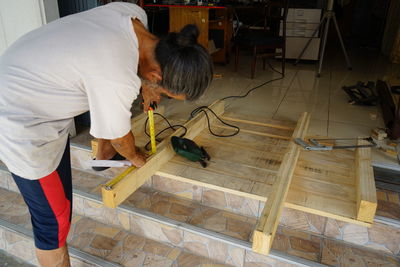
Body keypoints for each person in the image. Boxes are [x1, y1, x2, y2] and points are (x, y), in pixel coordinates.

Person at [0, 2, 213, 266]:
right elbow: (120, 137)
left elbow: (115, 66)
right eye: (166, 93)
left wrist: (146, 86)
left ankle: (103, 156)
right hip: (21, 123)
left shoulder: (132, 13)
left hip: (28, 82)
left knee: (63, 201)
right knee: (52, 223)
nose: (160, 96)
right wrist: (136, 156)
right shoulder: (117, 75)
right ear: (156, 74)